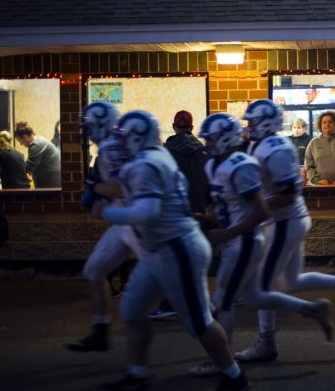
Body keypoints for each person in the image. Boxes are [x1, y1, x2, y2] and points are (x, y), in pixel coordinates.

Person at [92, 110, 249, 391]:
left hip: (178, 249)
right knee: (132, 308)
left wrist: (108, 213)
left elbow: (147, 210)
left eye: (127, 137)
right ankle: (137, 374)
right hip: (160, 248)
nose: (121, 143)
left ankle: (235, 376)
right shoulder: (155, 157)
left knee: (199, 322)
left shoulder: (149, 163)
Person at [187, 113, 333, 377]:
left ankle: (223, 361)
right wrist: (205, 219)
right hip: (238, 238)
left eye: (209, 139)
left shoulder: (240, 165)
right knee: (256, 297)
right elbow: (228, 205)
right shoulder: (216, 165)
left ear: (222, 139)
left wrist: (224, 233)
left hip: (244, 240)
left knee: (223, 300)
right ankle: (311, 308)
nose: (205, 144)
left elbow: (262, 211)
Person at [235, 99, 335, 364]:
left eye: (252, 121)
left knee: (262, 287)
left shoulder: (272, 150)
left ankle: (268, 340)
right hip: (288, 220)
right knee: (289, 282)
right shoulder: (264, 145)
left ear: (264, 121)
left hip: (283, 221)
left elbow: (285, 195)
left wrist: (252, 213)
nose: (248, 125)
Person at [67, 101, 144, 353]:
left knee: (169, 288)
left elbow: (124, 186)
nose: (87, 132)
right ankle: (100, 330)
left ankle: (209, 322)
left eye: (89, 126)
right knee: (93, 270)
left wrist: (94, 186)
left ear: (101, 124)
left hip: (139, 222)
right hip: (125, 221)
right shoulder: (111, 144)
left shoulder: (112, 146)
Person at [149, 110, 210, 320]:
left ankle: (169, 303)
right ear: (191, 128)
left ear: (174, 127)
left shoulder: (165, 152)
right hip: (199, 212)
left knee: (169, 259)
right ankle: (200, 305)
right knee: (194, 260)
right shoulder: (202, 151)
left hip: (174, 213)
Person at [13, 121, 61, 188]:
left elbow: (28, 167)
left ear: (24, 137)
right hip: (53, 183)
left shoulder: (36, 144)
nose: (21, 144)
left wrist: (11, 170)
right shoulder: (39, 140)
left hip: (50, 186)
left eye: (20, 141)